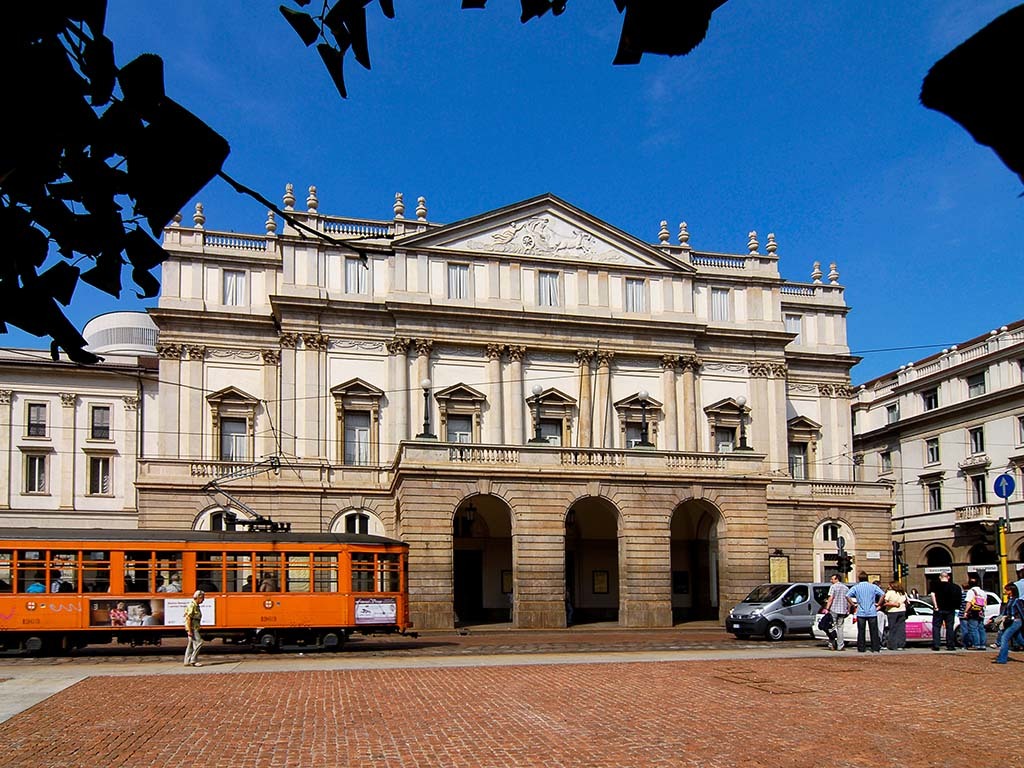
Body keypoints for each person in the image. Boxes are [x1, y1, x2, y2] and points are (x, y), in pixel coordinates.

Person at [846, 571, 884, 653]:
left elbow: (847, 595)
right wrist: (878, 604)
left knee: (861, 631)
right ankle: (875, 647)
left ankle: (861, 648)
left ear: (859, 579)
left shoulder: (856, 587)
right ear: (867, 578)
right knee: (874, 631)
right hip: (872, 611)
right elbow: (882, 594)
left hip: (861, 611)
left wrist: (853, 604)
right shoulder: (873, 587)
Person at [993, 583, 1024, 664]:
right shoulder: (1009, 600)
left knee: (1004, 638)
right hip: (1009, 621)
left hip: (1016, 621)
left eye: (1007, 590)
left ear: (1012, 591)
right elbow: (1005, 612)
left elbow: (1021, 612)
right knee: (1020, 640)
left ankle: (1002, 659)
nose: (1005, 591)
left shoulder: (1017, 601)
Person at [930, 571, 961, 650]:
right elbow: (958, 598)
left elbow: (933, 595)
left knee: (936, 627)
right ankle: (950, 645)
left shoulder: (935, 585)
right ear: (948, 577)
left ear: (940, 577)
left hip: (939, 609)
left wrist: (936, 606)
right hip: (950, 609)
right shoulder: (955, 587)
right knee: (950, 627)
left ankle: (936, 645)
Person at [824, 573, 850, 651]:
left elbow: (831, 598)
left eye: (832, 579)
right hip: (842, 610)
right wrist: (848, 609)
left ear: (836, 579)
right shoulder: (845, 588)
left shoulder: (833, 587)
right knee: (840, 628)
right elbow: (848, 599)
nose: (831, 580)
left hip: (834, 609)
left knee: (831, 627)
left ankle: (831, 644)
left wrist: (827, 608)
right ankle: (840, 645)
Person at [963, 577, 987, 651]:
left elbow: (969, 602)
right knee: (981, 628)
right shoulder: (983, 592)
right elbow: (985, 602)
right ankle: (983, 644)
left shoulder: (971, 591)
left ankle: (976, 644)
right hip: (981, 611)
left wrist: (966, 611)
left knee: (973, 628)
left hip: (973, 612)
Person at [183, 589, 205, 667]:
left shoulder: (195, 605)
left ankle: (187, 661)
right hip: (193, 628)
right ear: (198, 597)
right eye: (202, 598)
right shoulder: (192, 605)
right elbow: (188, 618)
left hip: (193, 627)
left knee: (191, 644)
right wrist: (189, 630)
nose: (203, 599)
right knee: (199, 642)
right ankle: (193, 660)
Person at [883, 580, 907, 651]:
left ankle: (892, 645)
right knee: (901, 628)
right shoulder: (902, 593)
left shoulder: (890, 593)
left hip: (892, 611)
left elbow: (885, 602)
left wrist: (894, 604)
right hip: (902, 611)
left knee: (892, 628)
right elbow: (904, 601)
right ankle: (901, 644)